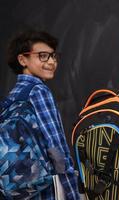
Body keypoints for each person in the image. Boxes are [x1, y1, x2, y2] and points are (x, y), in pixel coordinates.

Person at [5, 29, 79, 199]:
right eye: (43, 56)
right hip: (45, 189)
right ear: (22, 59)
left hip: (19, 188)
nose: (51, 62)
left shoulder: (14, 95)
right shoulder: (38, 91)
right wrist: (72, 191)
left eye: (53, 56)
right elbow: (57, 150)